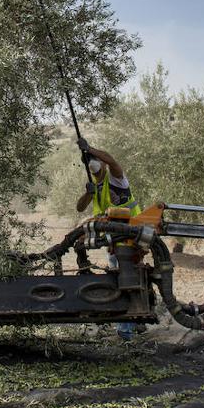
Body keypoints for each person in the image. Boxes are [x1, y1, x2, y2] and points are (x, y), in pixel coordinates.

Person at [73, 138, 142, 340]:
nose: (94, 166)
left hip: (130, 235)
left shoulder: (116, 179)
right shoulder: (96, 185)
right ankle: (135, 322)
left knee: (125, 278)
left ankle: (126, 330)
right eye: (90, 163)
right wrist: (88, 193)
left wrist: (89, 149)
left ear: (101, 163)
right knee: (126, 276)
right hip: (115, 239)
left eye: (95, 161)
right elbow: (80, 207)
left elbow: (112, 161)